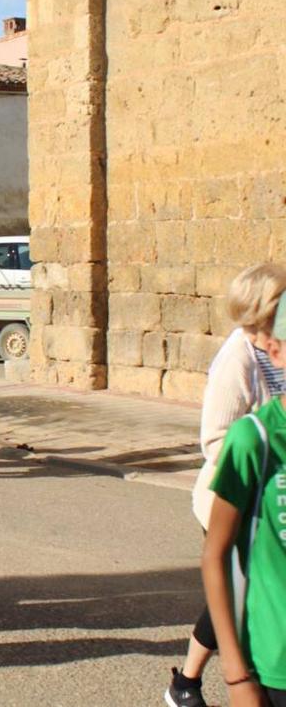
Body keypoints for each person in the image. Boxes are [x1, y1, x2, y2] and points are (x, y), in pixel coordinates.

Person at [166, 262, 286, 707]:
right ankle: (197, 681)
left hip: (272, 496)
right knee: (238, 593)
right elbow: (216, 438)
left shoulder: (274, 345)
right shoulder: (238, 356)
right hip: (238, 497)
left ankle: (188, 680)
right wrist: (263, 461)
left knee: (245, 596)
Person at [201, 294, 286, 707]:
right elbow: (215, 556)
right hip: (275, 663)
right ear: (276, 350)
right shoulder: (255, 439)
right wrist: (236, 675)